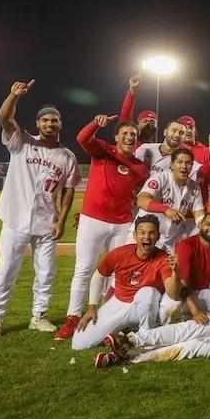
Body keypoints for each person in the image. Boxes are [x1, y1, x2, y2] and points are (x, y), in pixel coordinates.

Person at [0, 79, 81, 340]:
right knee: (7, 270)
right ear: (38, 124)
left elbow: (68, 189)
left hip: (46, 221)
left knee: (46, 272)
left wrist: (60, 220)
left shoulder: (67, 156)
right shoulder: (22, 142)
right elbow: (4, 117)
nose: (50, 124)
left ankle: (39, 316)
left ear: (60, 124)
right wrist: (13, 96)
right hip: (15, 218)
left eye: (55, 121)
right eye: (45, 120)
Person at [55, 107, 149, 340]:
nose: (129, 137)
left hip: (121, 224)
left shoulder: (139, 167)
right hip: (93, 220)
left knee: (115, 272)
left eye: (133, 135)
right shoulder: (103, 151)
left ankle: (105, 313)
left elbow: (135, 194)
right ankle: (72, 318)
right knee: (84, 269)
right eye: (125, 133)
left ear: (137, 140)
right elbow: (82, 138)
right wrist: (96, 124)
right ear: (116, 137)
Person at [72, 215, 181, 351]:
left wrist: (176, 272)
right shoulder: (120, 254)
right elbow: (99, 275)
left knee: (148, 292)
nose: (147, 237)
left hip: (146, 306)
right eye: (142, 232)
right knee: (79, 343)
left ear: (158, 236)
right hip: (119, 302)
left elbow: (173, 294)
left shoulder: (164, 258)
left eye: (152, 233)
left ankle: (146, 335)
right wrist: (92, 307)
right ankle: (126, 330)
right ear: (135, 235)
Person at [135, 147, 205, 252]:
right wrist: (165, 209)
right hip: (145, 235)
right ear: (171, 165)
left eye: (188, 163)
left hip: (170, 240)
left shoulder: (194, 187)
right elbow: (141, 200)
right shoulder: (160, 178)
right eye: (180, 162)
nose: (184, 166)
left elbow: (199, 213)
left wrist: (204, 225)